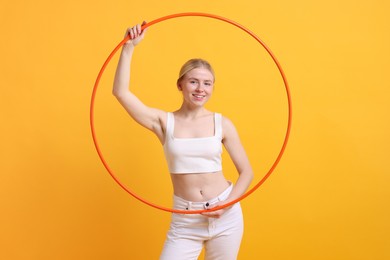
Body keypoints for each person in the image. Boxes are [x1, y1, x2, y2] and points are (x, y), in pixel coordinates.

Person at [113, 23, 254, 260]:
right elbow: (121, 93)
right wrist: (128, 48)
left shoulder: (222, 123)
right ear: (180, 85)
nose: (201, 89)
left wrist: (226, 205)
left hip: (226, 216)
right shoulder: (163, 122)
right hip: (186, 220)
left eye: (207, 83)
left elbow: (247, 172)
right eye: (194, 82)